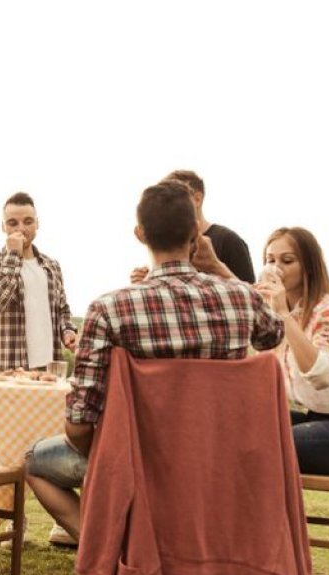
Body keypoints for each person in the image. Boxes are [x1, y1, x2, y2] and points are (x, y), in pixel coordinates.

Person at [25, 181, 283, 547]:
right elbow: (273, 335)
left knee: (34, 461)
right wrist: (220, 269)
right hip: (219, 465)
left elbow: (79, 425)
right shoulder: (241, 298)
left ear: (140, 234)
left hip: (139, 465)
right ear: (197, 233)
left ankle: (119, 551)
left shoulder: (109, 309)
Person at [254, 227, 329, 476]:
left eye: (287, 261)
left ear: (308, 266)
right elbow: (263, 372)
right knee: (240, 431)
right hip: (315, 419)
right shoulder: (286, 311)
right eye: (270, 260)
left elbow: (321, 375)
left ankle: (277, 516)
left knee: (262, 446)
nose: (276, 268)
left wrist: (282, 315)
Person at [0, 192, 78, 372]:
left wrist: (68, 331)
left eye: (28, 221)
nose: (21, 229)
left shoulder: (52, 265)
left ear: (37, 223)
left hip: (49, 369)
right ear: (3, 227)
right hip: (9, 369)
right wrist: (13, 255)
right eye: (13, 223)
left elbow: (62, 309)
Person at [131, 170, 256, 284]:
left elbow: (254, 295)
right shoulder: (164, 240)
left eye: (180, 194)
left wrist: (215, 266)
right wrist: (147, 280)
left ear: (197, 199)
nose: (169, 203)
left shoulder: (229, 241)